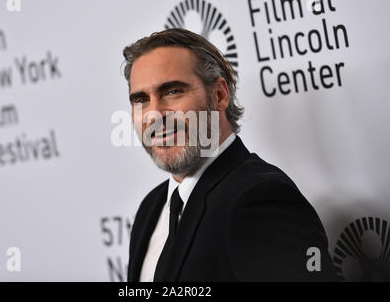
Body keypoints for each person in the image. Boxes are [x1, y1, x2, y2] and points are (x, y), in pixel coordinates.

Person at [122, 28, 338, 281]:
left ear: (219, 95)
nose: (154, 115)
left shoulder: (260, 198)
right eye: (140, 100)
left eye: (172, 92)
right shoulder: (152, 206)